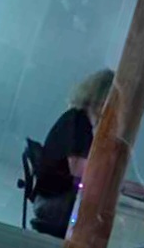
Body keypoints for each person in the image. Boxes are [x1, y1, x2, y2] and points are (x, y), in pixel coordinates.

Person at [32, 68, 115, 238]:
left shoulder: (75, 119)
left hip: (50, 200)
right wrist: (119, 181)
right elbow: (79, 170)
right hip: (57, 204)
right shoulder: (78, 124)